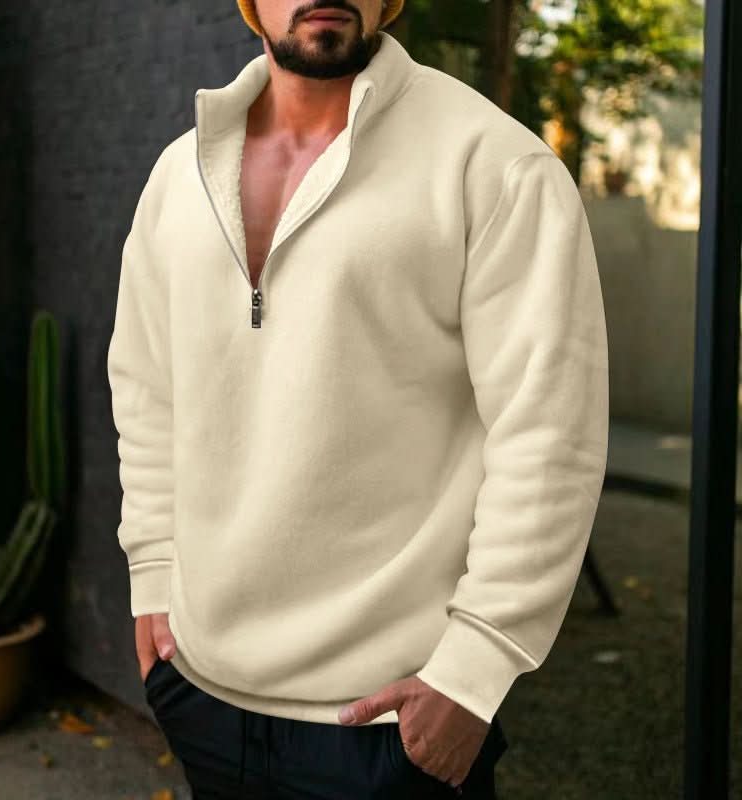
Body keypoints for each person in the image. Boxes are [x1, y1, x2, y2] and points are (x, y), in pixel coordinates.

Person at [106, 1, 610, 798]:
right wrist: (154, 572)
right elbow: (147, 388)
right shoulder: (179, 176)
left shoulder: (492, 164)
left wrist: (476, 667)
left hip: (388, 725)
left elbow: (550, 435)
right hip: (202, 692)